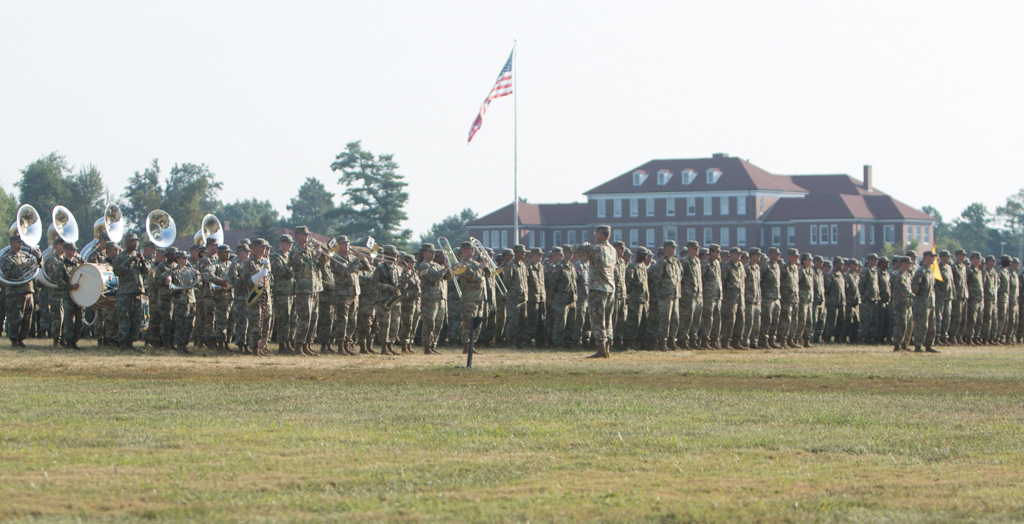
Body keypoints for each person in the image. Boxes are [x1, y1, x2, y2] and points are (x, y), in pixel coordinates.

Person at [572, 225, 617, 358]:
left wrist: (585, 245)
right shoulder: (613, 250)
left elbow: (576, 248)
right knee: (608, 320)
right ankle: (608, 347)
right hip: (610, 289)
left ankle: (601, 349)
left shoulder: (598, 249)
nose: (595, 235)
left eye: (596, 233)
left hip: (598, 289)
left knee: (597, 320)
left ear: (601, 235)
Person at [288, 226, 326, 355]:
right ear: (297, 235)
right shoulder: (294, 252)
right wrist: (315, 257)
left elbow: (320, 267)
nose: (307, 236)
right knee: (305, 318)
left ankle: (307, 345)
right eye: (304, 234)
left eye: (308, 234)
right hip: (303, 290)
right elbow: (304, 268)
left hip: (314, 289)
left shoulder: (310, 250)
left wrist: (320, 254)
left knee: (313, 319)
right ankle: (298, 346)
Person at [330, 235, 369, 356]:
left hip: (354, 293)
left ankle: (348, 344)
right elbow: (347, 271)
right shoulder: (336, 259)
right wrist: (357, 259)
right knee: (343, 320)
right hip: (343, 294)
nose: (347, 246)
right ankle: (341, 347)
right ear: (339, 245)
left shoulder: (351, 257)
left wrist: (362, 258)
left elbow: (367, 268)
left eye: (348, 243)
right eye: (344, 244)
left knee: (352, 321)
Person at [112, 233, 150, 352]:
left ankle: (131, 342)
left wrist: (143, 261)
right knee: (125, 318)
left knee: (136, 318)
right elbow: (117, 271)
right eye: (133, 241)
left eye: (137, 241)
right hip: (126, 293)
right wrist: (129, 261)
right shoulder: (121, 257)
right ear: (127, 242)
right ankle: (123, 344)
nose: (135, 243)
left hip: (137, 292)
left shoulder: (139, 256)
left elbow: (147, 272)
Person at [456, 241, 490, 354]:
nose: (474, 251)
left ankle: (472, 344)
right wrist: (481, 267)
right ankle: (466, 345)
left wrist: (485, 265)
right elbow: (472, 276)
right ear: (464, 250)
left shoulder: (475, 263)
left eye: (474, 249)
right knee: (468, 322)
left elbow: (488, 275)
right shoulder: (462, 264)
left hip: (479, 297)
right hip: (469, 298)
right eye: (471, 249)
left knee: (477, 322)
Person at [417, 243, 451, 354]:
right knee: (429, 323)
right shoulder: (424, 266)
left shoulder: (436, 265)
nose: (433, 254)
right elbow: (433, 277)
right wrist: (444, 269)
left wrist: (448, 268)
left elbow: (446, 277)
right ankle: (427, 346)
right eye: (431, 252)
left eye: (434, 252)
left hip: (440, 298)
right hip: (429, 299)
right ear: (424, 253)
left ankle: (433, 345)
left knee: (438, 324)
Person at [243, 238, 274, 355]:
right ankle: (255, 348)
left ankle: (263, 346)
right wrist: (260, 274)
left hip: (266, 297)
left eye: (265, 247)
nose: (264, 249)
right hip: (255, 298)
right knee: (255, 324)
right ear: (254, 248)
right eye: (262, 246)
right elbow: (248, 281)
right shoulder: (249, 263)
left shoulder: (266, 262)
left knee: (266, 322)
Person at [372, 245, 403, 356]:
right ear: (387, 255)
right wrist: (388, 287)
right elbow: (374, 284)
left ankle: (391, 345)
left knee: (395, 324)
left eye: (395, 254)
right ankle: (384, 347)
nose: (395, 256)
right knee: (385, 324)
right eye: (392, 254)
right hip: (384, 300)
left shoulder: (396, 268)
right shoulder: (380, 268)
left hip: (394, 300)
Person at [202, 244, 234, 351]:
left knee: (231, 321)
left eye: (229, 252)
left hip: (231, 296)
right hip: (221, 297)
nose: (228, 254)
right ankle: (220, 343)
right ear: (219, 253)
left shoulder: (231, 264)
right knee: (222, 321)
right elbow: (206, 274)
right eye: (226, 252)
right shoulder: (214, 265)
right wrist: (219, 281)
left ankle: (227, 342)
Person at [167, 251, 197, 354]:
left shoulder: (190, 270)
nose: (186, 260)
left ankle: (185, 345)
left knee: (190, 324)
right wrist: (168, 279)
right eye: (184, 258)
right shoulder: (174, 271)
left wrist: (196, 275)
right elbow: (166, 279)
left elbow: (197, 283)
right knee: (181, 324)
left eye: (187, 258)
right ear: (178, 259)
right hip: (181, 301)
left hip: (191, 300)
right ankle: (179, 345)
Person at [548, 246, 578, 349]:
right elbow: (552, 284)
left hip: (572, 299)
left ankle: (568, 342)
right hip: (562, 300)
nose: (572, 254)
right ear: (564, 252)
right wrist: (558, 296)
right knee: (560, 323)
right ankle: (557, 343)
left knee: (571, 323)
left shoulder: (572, 266)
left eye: (573, 253)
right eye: (570, 252)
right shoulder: (559, 267)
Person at [271, 234, 296, 354]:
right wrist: (289, 264)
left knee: (292, 319)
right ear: (281, 243)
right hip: (281, 293)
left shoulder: (289, 256)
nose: (291, 245)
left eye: (291, 243)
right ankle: (282, 344)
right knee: (283, 319)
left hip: (291, 291)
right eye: (288, 242)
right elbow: (278, 272)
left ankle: (289, 342)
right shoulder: (276, 257)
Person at [911, 250, 939, 353]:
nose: (933, 259)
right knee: (922, 325)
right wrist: (919, 294)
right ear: (926, 257)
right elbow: (915, 286)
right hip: (922, 302)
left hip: (930, 302)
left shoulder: (930, 271)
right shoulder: (921, 271)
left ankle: (928, 345)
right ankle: (918, 345)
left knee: (931, 325)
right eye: (932, 257)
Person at [503, 245, 529, 349]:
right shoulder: (511, 265)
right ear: (516, 252)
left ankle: (518, 341)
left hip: (522, 298)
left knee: (522, 321)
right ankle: (509, 341)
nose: (524, 254)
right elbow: (506, 282)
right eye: (522, 252)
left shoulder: (522, 265)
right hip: (513, 298)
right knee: (512, 321)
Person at [623, 246, 649, 350]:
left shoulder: (643, 266)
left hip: (643, 299)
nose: (646, 256)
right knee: (633, 322)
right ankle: (630, 342)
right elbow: (628, 283)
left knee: (643, 322)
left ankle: (640, 342)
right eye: (644, 254)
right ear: (638, 254)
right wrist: (632, 295)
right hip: (635, 299)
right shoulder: (632, 266)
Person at [719, 247, 746, 350]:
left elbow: (743, 282)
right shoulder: (727, 266)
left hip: (740, 297)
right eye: (736, 253)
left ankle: (736, 341)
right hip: (730, 298)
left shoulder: (741, 266)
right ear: (731, 254)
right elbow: (723, 282)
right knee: (729, 320)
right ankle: (725, 342)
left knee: (740, 320)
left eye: (740, 253)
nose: (739, 255)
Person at [678, 240, 703, 349]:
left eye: (697, 248)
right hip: (687, 295)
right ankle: (683, 340)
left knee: (696, 319)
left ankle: (693, 340)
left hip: (697, 295)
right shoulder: (684, 262)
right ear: (689, 249)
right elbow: (679, 279)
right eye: (694, 248)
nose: (697, 250)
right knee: (687, 319)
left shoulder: (697, 261)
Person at [228, 243, 252, 353]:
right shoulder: (234, 265)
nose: (248, 253)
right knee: (241, 323)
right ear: (239, 253)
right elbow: (234, 281)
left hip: (249, 297)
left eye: (248, 251)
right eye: (245, 251)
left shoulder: (249, 263)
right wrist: (247, 280)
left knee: (248, 322)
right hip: (240, 298)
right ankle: (240, 345)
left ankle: (247, 344)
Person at [759, 247, 782, 349]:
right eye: (776, 254)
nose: (778, 256)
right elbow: (759, 281)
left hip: (776, 297)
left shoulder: (777, 266)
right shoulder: (765, 266)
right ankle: (763, 341)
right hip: (767, 297)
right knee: (766, 320)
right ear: (771, 254)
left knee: (775, 320)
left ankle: (772, 340)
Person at [891, 257, 914, 351]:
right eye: (909, 263)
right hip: (900, 304)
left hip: (907, 303)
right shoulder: (898, 275)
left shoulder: (907, 275)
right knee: (901, 324)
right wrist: (914, 296)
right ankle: (897, 344)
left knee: (909, 324)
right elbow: (904, 289)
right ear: (903, 264)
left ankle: (904, 344)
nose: (910, 265)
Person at [858, 254, 880, 344]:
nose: (877, 261)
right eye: (875, 259)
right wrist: (864, 295)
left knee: (873, 320)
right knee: (865, 320)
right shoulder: (866, 271)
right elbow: (861, 285)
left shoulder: (874, 271)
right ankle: (860, 337)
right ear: (870, 260)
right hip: (867, 300)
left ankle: (869, 338)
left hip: (874, 299)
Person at [743, 248, 762, 348]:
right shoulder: (747, 267)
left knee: (756, 323)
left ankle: (754, 342)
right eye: (757, 255)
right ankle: (745, 341)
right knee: (748, 322)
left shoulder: (757, 268)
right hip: (749, 299)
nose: (759, 257)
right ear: (752, 255)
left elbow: (758, 284)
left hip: (756, 300)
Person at [797, 252, 814, 348]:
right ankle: (797, 339)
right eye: (809, 259)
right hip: (802, 300)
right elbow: (797, 284)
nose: (810, 261)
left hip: (809, 300)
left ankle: (807, 340)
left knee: (809, 321)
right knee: (802, 320)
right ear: (804, 260)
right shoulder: (801, 271)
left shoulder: (811, 271)